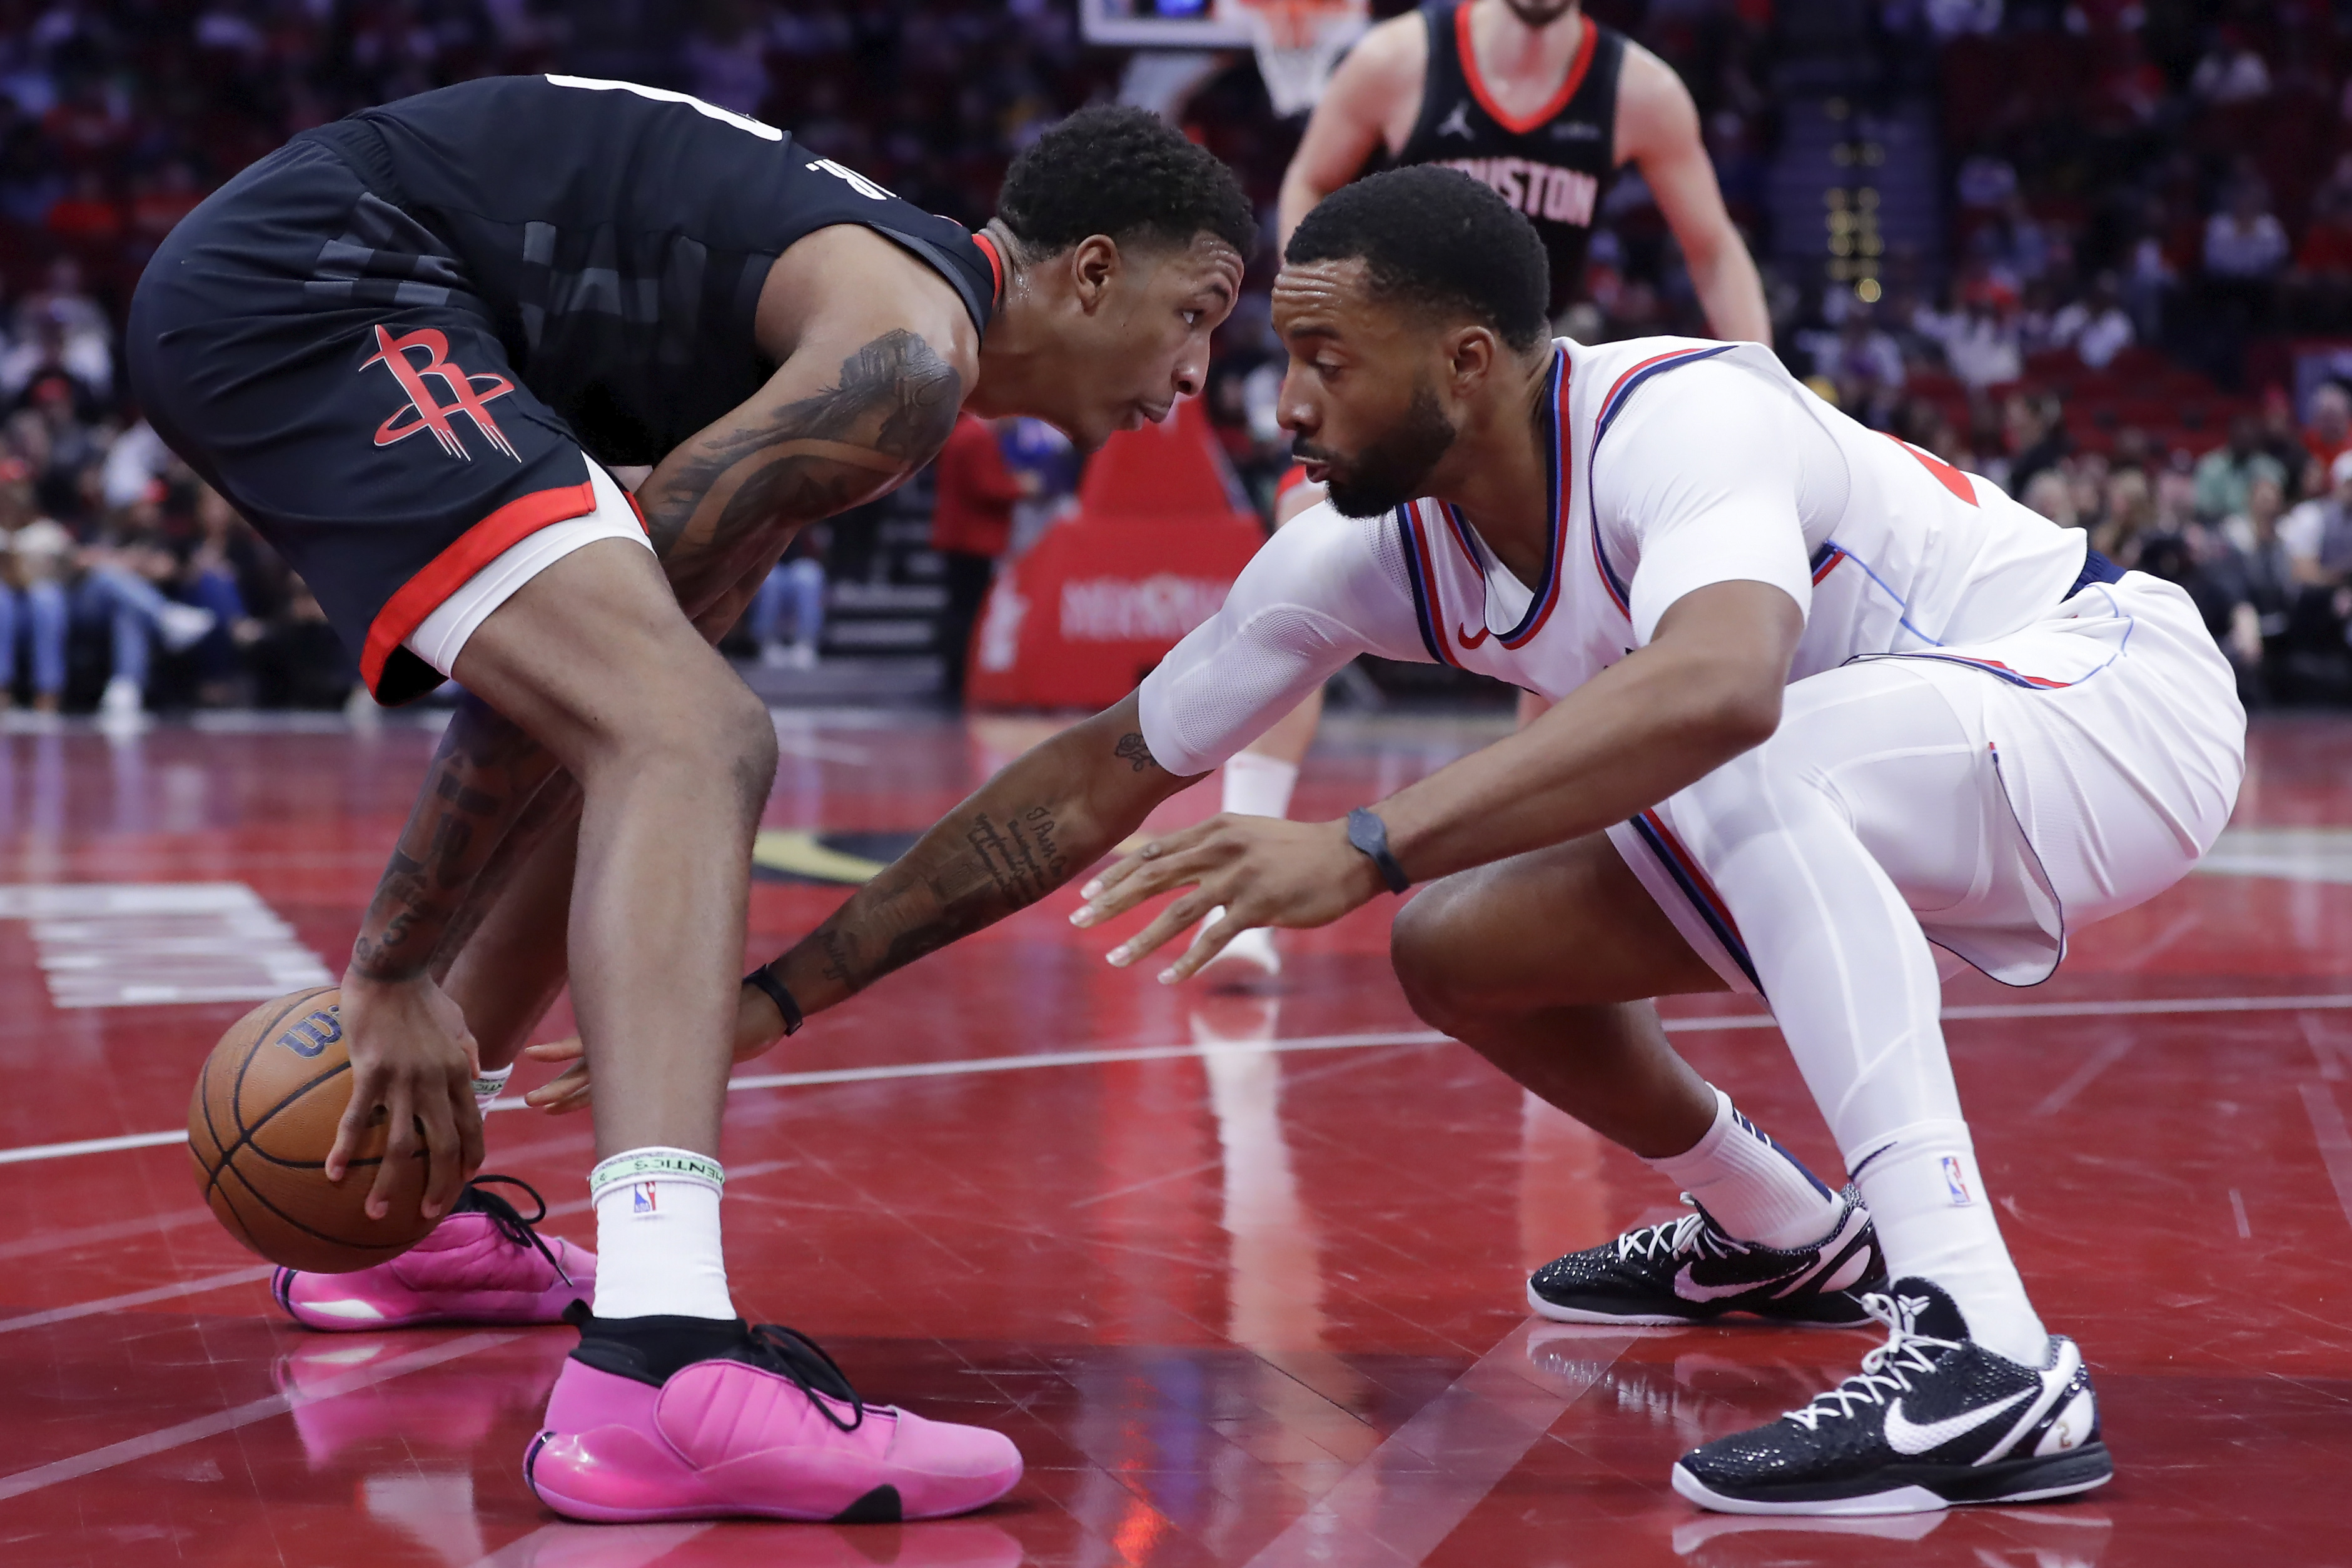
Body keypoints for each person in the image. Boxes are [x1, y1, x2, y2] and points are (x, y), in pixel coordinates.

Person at [535, 168, 2243, 1516]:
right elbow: (1094, 775)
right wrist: (773, 994)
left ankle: (1982, 1341)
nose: (1285, 403)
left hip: (2109, 707)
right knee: (1463, 952)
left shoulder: (1682, 416)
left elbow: (1719, 685)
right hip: (1880, 763)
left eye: (1325, 363)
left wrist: (1363, 844)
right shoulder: (1362, 551)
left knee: (1718, 734)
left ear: (1468, 365)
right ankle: (1781, 1229)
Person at [130, 77, 1251, 1525]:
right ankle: (661, 1363)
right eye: (1199, 313)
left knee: (656, 730)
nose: (1195, 376)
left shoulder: (854, 328)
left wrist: (427, 1004)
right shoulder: (902, 355)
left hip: (352, 273)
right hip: (324, 279)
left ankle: (391, 1218)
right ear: (1092, 270)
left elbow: (583, 720)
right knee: (693, 733)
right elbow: (629, 720)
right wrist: (393, 966)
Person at [1214, 0, 1775, 975]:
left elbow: (1712, 246)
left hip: (1510, 386)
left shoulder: (1637, 89)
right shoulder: (1399, 60)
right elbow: (1310, 174)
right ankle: (1242, 872)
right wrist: (1326, 327)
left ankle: (1529, 896)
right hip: (1396, 380)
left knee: (1570, 622)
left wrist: (1765, 383)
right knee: (1298, 560)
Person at [930, 412, 1029, 701]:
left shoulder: (966, 433)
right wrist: (1021, 486)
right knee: (968, 613)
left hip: (962, 538)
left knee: (961, 609)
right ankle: (959, 677)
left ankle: (956, 675)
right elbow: (986, 486)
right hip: (971, 541)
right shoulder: (976, 437)